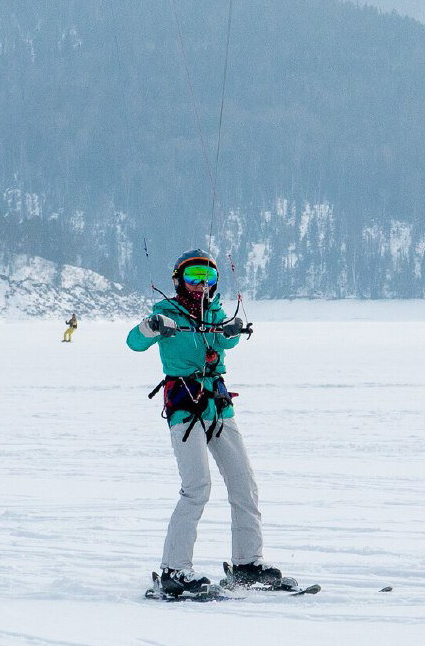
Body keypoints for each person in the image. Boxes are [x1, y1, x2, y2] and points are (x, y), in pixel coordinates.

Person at [127, 248, 281, 597]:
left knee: (245, 485)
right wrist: (150, 327)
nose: (200, 284)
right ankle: (174, 570)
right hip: (184, 406)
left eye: (207, 277)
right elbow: (134, 342)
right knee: (197, 487)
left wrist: (235, 329)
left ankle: (247, 564)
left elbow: (227, 338)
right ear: (179, 280)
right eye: (193, 276)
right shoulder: (165, 313)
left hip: (219, 407)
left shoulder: (215, 312)